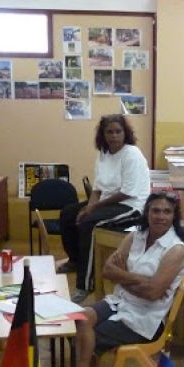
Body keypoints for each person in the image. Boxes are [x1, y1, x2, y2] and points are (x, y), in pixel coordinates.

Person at [60, 192, 184, 367]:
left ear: (174, 216)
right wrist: (138, 279)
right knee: (79, 321)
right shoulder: (135, 236)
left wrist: (124, 277)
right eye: (155, 210)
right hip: (119, 302)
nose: (160, 216)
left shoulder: (176, 250)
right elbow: (107, 270)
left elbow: (153, 293)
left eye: (167, 211)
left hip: (144, 319)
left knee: (87, 338)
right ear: (147, 212)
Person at [58, 114, 150, 301]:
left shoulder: (132, 154)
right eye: (109, 132)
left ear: (125, 133)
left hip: (131, 205)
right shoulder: (103, 153)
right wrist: (89, 206)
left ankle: (85, 285)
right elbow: (98, 189)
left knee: (89, 224)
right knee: (68, 214)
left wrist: (92, 210)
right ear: (103, 134)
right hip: (109, 202)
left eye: (118, 131)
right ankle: (75, 260)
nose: (114, 136)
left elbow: (127, 192)